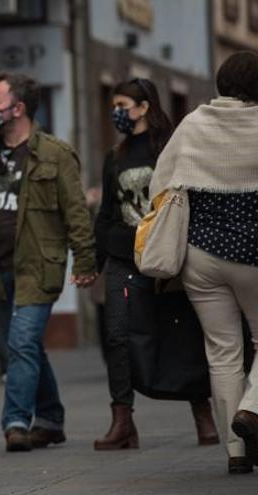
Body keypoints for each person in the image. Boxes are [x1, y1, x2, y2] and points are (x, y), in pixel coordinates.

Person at [0, 73, 97, 452]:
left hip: (39, 265)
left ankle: (16, 420)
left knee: (21, 343)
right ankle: (51, 419)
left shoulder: (55, 153)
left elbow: (75, 211)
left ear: (18, 109)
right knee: (23, 346)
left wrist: (85, 260)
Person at [93, 78, 220, 451]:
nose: (116, 112)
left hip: (167, 257)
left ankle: (203, 414)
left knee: (182, 332)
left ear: (144, 107)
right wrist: (94, 262)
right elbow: (106, 214)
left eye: (121, 104)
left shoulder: (169, 148)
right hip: (122, 256)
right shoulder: (114, 157)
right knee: (117, 336)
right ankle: (122, 421)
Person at [150, 51, 258, 475]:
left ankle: (236, 451)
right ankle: (251, 410)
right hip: (254, 254)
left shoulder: (193, 124)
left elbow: (160, 184)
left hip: (200, 256)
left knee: (223, 353)